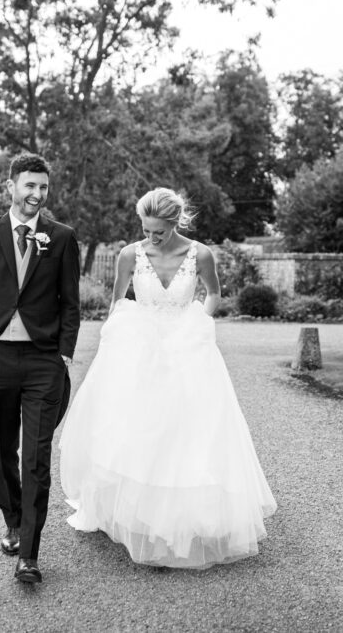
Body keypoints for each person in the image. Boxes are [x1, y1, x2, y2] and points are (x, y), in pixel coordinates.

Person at [59, 187, 276, 569]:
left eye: (158, 231)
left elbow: (213, 293)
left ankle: (185, 515)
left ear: (175, 223)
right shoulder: (130, 254)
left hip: (186, 345)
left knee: (187, 428)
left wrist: (198, 322)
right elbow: (117, 302)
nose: (151, 237)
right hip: (140, 348)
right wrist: (116, 336)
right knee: (136, 427)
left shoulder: (200, 254)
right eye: (146, 229)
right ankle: (132, 513)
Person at [0, 152, 81, 584]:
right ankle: (13, 521)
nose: (36, 194)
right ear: (10, 186)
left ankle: (29, 554)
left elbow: (71, 303)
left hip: (42, 363)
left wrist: (63, 354)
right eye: (29, 185)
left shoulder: (62, 238)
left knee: (35, 458)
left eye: (43, 187)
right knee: (2, 452)